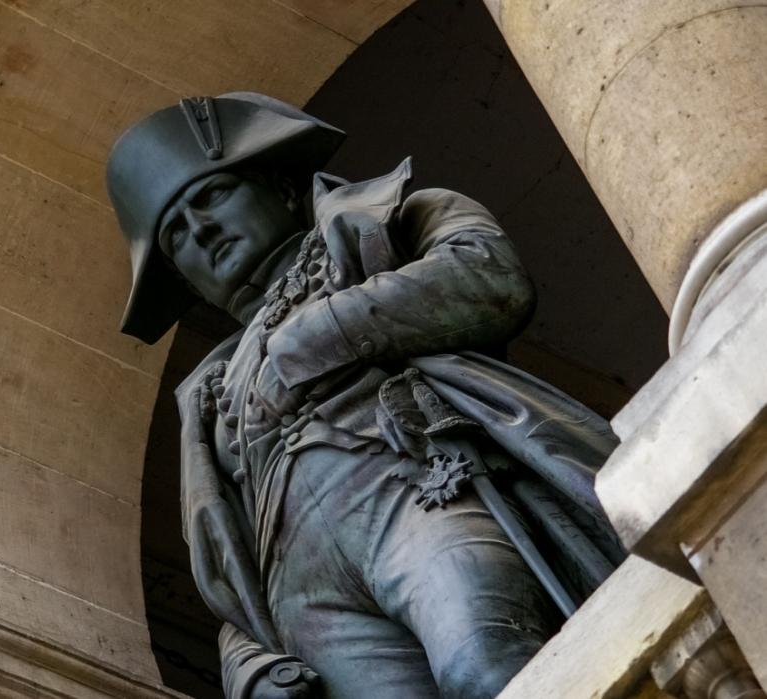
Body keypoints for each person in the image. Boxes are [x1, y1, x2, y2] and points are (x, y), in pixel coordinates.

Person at [106, 93, 624, 699]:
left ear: (279, 188)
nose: (202, 229)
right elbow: (227, 564)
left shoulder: (382, 221)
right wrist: (246, 668)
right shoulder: (204, 397)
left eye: (211, 197)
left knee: (485, 665)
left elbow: (487, 274)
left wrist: (313, 335)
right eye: (177, 237)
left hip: (414, 495)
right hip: (303, 600)